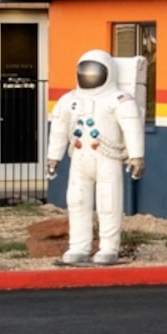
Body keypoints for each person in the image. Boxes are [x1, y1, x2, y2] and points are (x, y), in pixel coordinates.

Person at [43, 50, 143, 267]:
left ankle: (109, 248)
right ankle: (78, 246)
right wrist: (53, 157)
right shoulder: (69, 100)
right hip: (80, 159)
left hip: (108, 159)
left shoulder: (119, 100)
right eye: (85, 70)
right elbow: (59, 130)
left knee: (109, 203)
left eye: (94, 70)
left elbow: (131, 127)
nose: (89, 75)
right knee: (77, 202)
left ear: (108, 72)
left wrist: (136, 156)